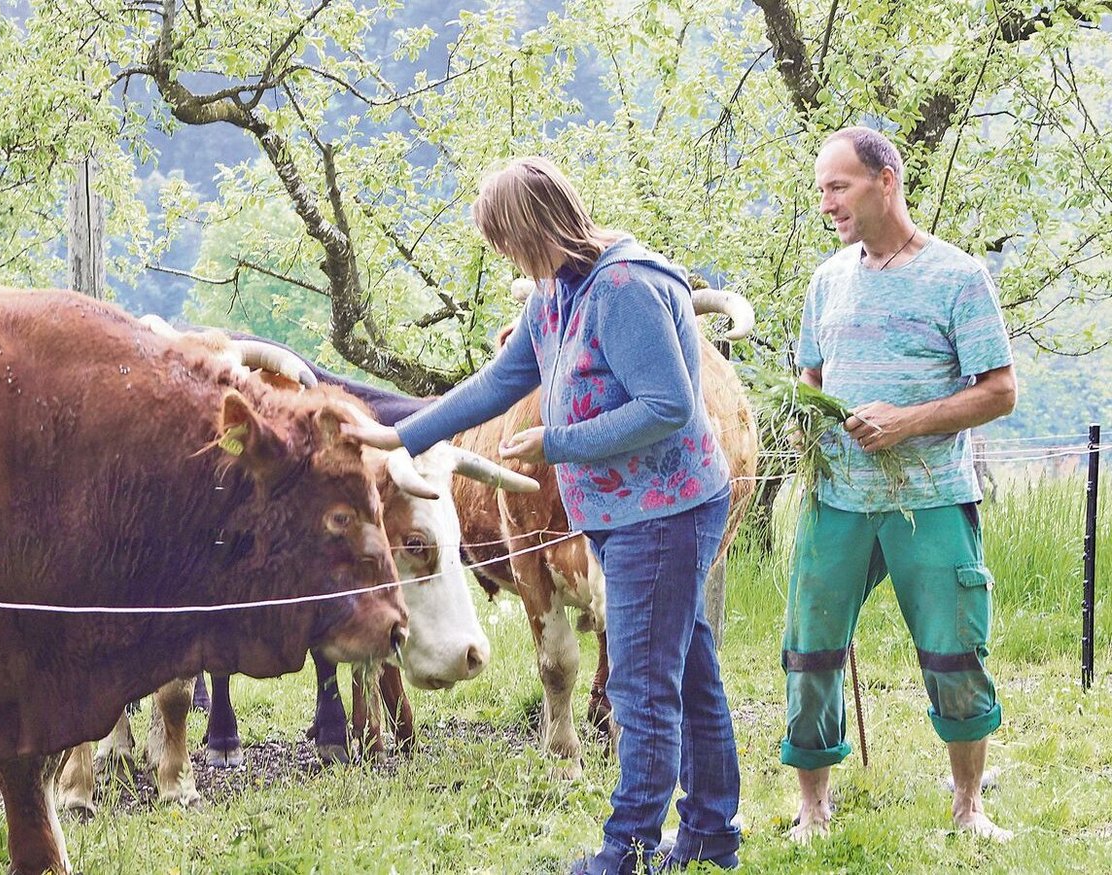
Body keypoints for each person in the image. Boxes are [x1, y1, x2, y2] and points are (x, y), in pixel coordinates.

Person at [344, 156, 741, 874]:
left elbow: (669, 406)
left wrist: (560, 441)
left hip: (666, 509)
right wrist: (404, 434)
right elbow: (500, 380)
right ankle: (712, 830)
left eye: (502, 236)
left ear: (529, 227)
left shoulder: (625, 286)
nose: (502, 252)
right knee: (688, 667)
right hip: (623, 509)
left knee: (643, 683)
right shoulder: (556, 291)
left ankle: (629, 847)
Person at [783, 127, 1018, 843]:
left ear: (887, 179)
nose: (826, 202)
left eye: (839, 185)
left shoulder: (958, 276)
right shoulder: (828, 280)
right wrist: (804, 417)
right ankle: (812, 809)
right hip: (839, 502)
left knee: (955, 649)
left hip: (931, 498)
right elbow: (811, 376)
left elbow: (1001, 390)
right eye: (821, 188)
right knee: (810, 649)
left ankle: (968, 805)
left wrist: (909, 421)